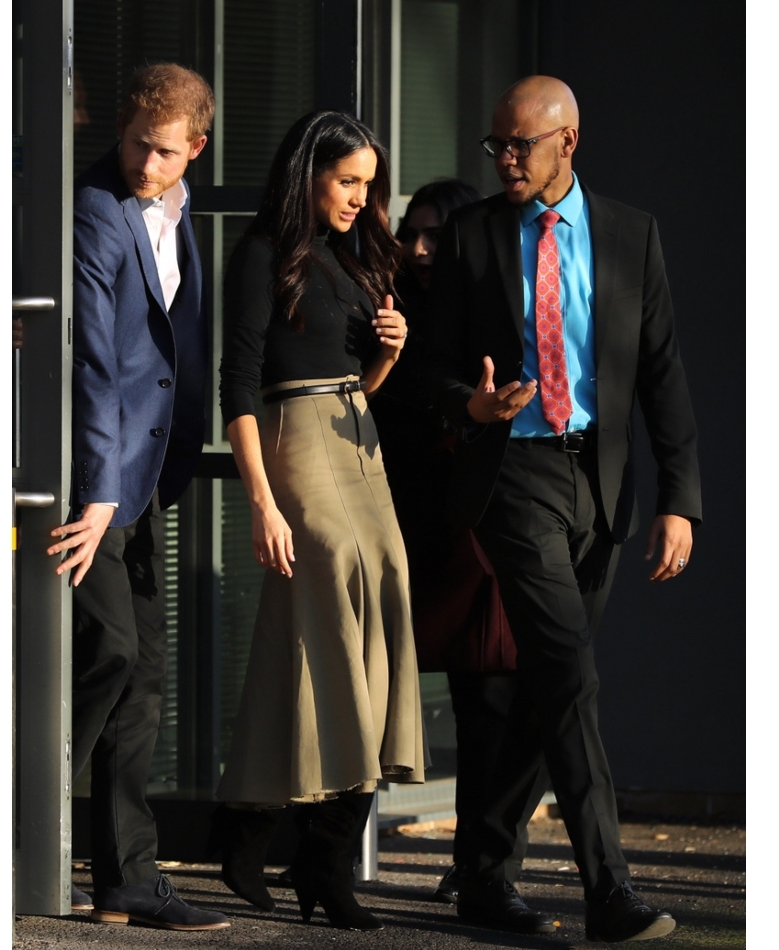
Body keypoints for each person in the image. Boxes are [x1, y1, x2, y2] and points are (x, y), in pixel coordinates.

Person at [426, 75, 701, 942]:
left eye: (521, 145)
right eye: (495, 145)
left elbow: (660, 373)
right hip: (514, 475)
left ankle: (481, 876)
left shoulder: (630, 234)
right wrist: (469, 408)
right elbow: (428, 372)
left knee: (545, 689)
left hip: (603, 484)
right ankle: (609, 892)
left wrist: (679, 500)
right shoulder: (471, 236)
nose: (504, 158)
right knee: (570, 673)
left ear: (567, 141)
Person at [213, 110, 427, 932]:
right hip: (294, 440)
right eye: (347, 181)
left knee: (367, 607)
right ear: (307, 174)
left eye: (367, 185)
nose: (358, 199)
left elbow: (354, 385)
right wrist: (261, 501)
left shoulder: (352, 257)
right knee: (336, 583)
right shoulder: (264, 253)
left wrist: (388, 353)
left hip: (356, 438)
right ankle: (310, 856)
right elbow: (238, 381)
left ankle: (277, 841)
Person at [47, 64, 228, 931]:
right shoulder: (94, 207)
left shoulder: (176, 212)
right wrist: (96, 494)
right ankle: (18, 833)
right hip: (102, 480)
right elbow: (90, 362)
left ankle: (127, 877)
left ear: (197, 148)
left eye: (162, 152)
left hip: (147, 476)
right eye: (133, 145)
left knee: (144, 674)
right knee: (111, 652)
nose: (142, 164)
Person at [370, 179, 519, 905]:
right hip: (400, 513)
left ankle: (477, 863)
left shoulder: (487, 307)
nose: (420, 248)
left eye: (436, 235)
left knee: (484, 689)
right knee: (373, 678)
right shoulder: (387, 303)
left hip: (468, 522)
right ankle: (330, 848)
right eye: (411, 232)